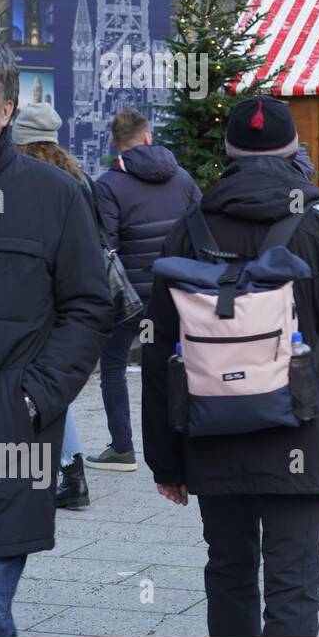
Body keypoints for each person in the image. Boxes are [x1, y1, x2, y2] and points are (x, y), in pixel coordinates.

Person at [142, 96, 319, 637]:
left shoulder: (188, 231)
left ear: (228, 151)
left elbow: (158, 351)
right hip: (299, 429)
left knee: (229, 572)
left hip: (211, 429)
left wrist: (165, 460)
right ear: (294, 152)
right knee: (293, 582)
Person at [0, 37, 112, 637]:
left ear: (6, 109)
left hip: (1, 448)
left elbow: (90, 306)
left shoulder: (53, 196)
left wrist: (33, 398)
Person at [86, 109, 200, 473]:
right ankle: (189, 440)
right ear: (148, 137)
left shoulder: (108, 184)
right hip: (177, 291)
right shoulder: (182, 178)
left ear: (113, 143)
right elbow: (200, 228)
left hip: (130, 298)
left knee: (114, 366)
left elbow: (107, 245)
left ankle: (122, 449)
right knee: (182, 363)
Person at [11, 102, 105, 511]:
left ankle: (68, 470)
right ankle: (68, 469)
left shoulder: (29, 182)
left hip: (41, 296)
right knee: (53, 384)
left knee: (43, 385)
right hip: (75, 295)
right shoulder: (78, 177)